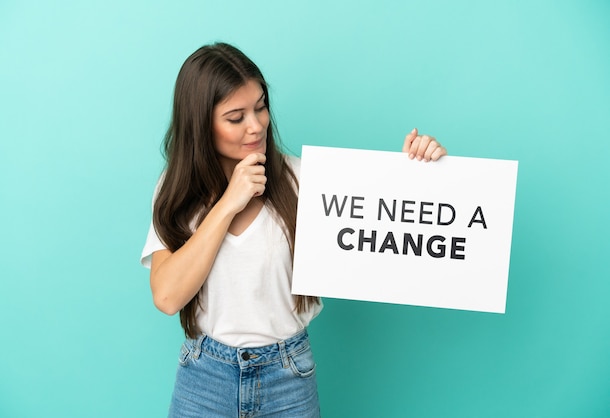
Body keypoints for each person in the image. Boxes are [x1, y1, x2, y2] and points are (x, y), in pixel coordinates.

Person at [140, 42, 447, 418]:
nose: (256, 125)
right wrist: (228, 204)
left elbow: (386, 230)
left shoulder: (303, 180)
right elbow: (168, 296)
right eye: (236, 117)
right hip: (204, 375)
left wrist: (418, 173)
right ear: (200, 123)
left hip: (288, 374)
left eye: (260, 107)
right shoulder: (175, 189)